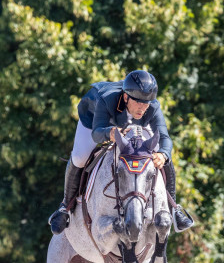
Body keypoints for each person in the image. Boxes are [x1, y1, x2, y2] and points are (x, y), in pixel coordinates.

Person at [48, 70, 194, 235]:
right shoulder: (106, 100)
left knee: (160, 153)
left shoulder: (151, 106)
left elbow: (165, 138)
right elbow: (97, 133)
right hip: (94, 119)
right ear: (126, 97)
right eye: (138, 102)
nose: (142, 107)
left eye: (146, 103)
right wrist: (110, 133)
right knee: (80, 157)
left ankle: (174, 209)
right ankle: (65, 207)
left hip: (130, 122)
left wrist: (163, 154)